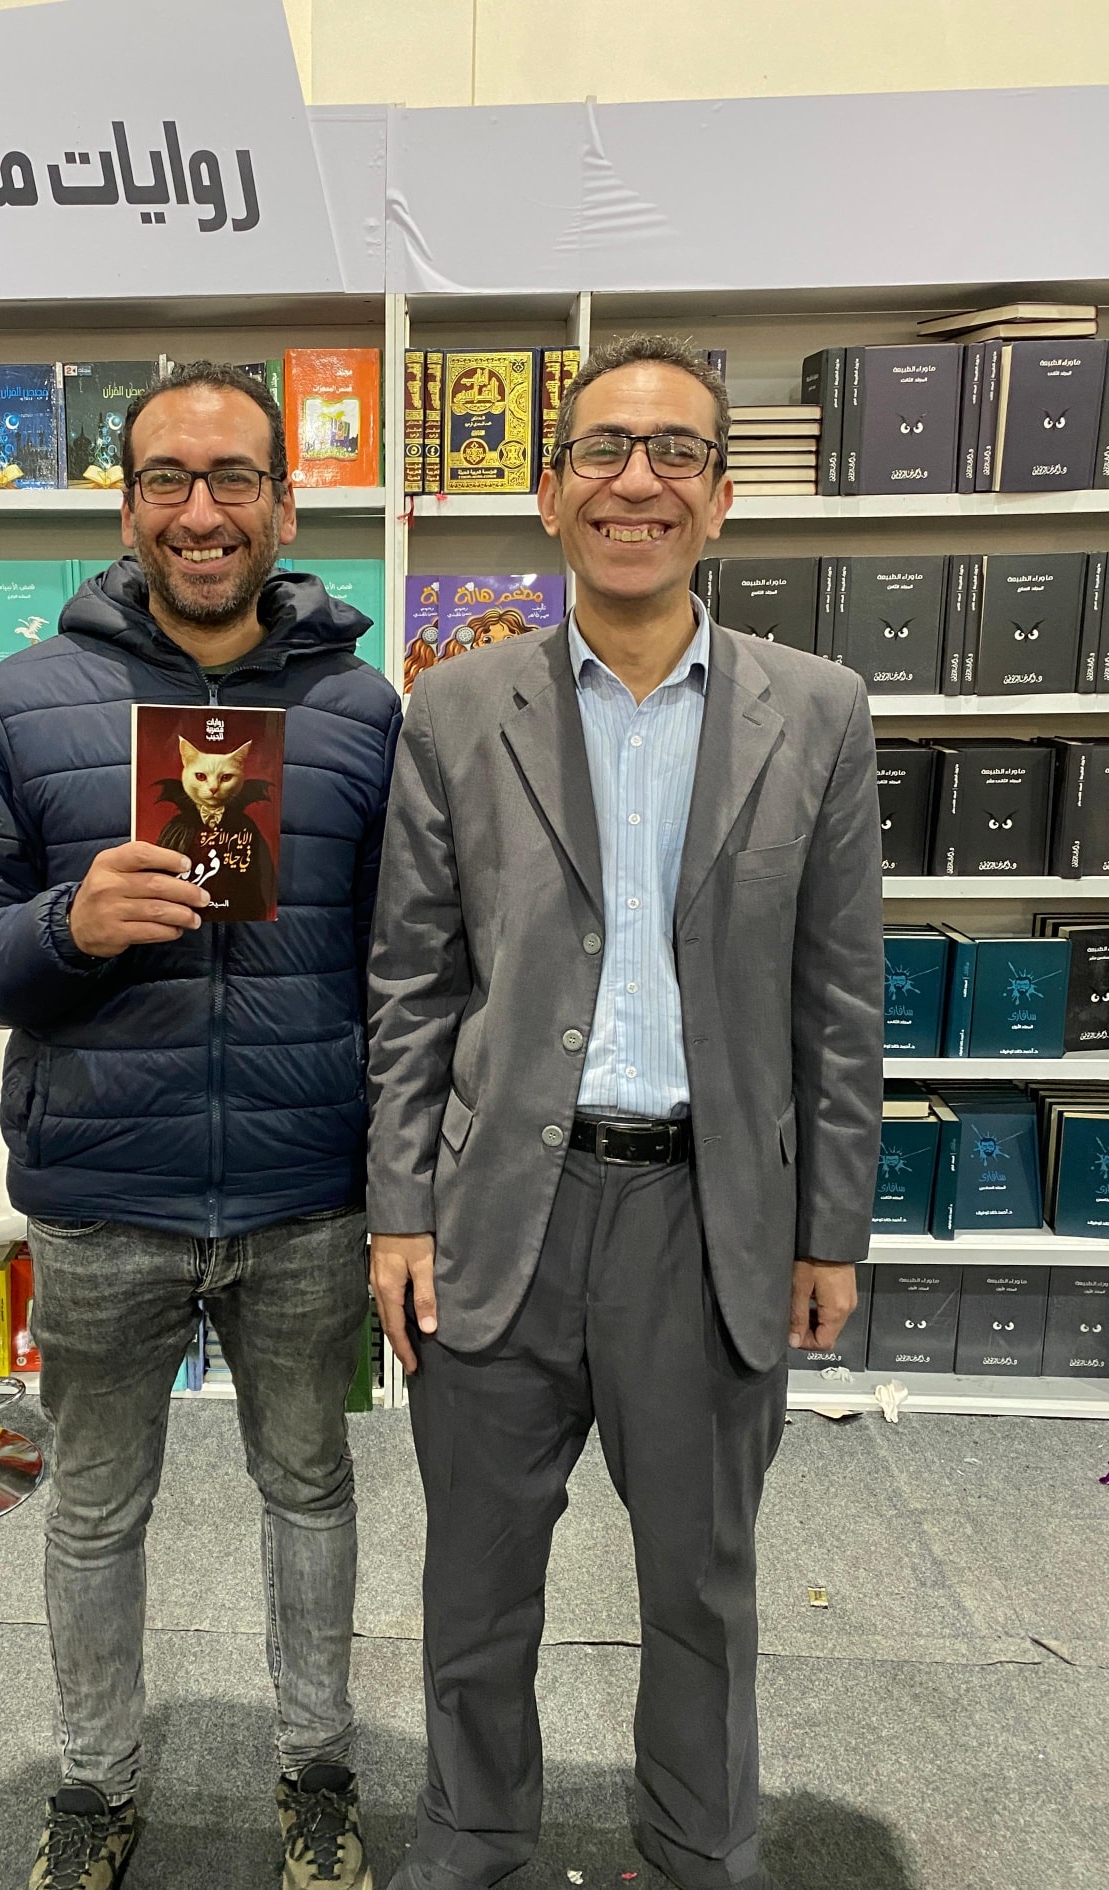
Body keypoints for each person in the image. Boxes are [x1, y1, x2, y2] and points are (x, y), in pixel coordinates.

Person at [366, 332, 883, 1890]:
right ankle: (473, 1842)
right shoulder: (454, 707)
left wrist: (831, 1228)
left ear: (721, 500)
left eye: (675, 452)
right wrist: (398, 1207)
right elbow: (411, 983)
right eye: (602, 448)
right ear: (550, 493)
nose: (635, 479)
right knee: (476, 1587)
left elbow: (839, 993)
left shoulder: (820, 709)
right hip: (496, 1223)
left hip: (710, 1219)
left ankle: (699, 1849)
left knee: (703, 1591)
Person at [0, 360, 399, 1890]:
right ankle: (94, 1783)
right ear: (125, 505)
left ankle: (317, 1767)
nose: (202, 510)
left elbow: (408, 960)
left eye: (233, 477)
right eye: (167, 480)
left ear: (285, 502)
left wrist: (401, 1179)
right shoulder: (20, 702)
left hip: (304, 1189)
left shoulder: (362, 711)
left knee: (310, 1489)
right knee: (94, 1508)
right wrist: (65, 923)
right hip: (100, 1190)